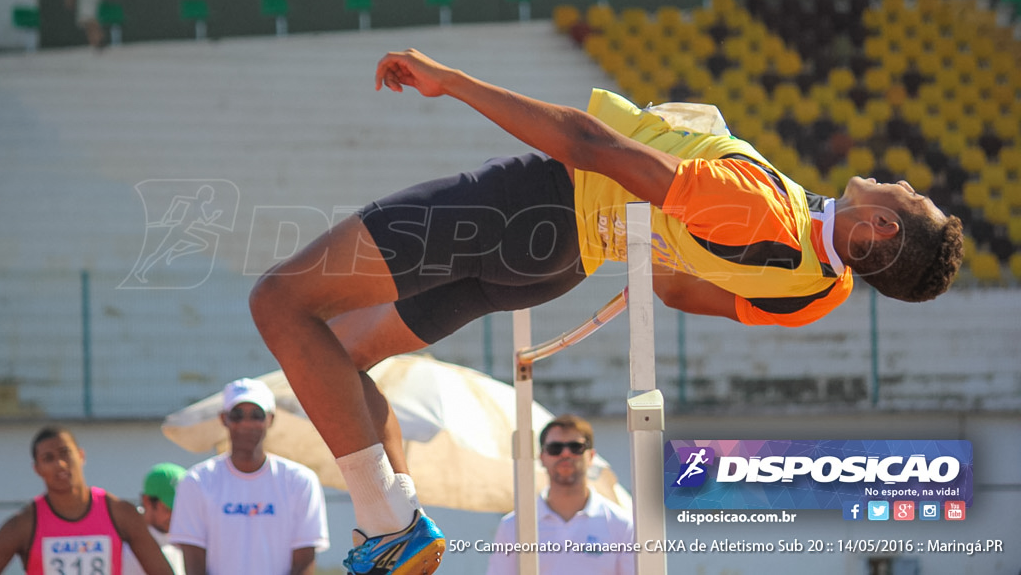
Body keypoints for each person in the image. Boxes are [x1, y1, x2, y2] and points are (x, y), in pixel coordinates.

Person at [248, 48, 964, 575]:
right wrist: (681, 214)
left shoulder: (765, 209)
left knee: (280, 301)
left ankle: (388, 523)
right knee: (335, 360)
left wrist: (453, 82)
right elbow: (677, 289)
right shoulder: (822, 290)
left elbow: (591, 144)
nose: (897, 181)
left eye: (907, 197)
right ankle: (393, 528)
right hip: (557, 264)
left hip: (534, 207)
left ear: (883, 230)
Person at [168, 378, 330, 575]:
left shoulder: (300, 481)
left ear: (270, 419)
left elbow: (304, 564)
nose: (246, 423)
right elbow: (194, 566)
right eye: (237, 415)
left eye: (256, 415)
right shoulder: (196, 481)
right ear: (223, 419)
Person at [0, 425, 173, 575]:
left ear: (81, 455)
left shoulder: (121, 514)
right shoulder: (23, 525)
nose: (60, 464)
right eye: (48, 458)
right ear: (37, 469)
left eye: (65, 453)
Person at [486, 415, 634, 575]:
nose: (565, 454)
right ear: (542, 457)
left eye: (575, 447)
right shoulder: (512, 527)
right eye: (555, 448)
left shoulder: (621, 524)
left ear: (591, 456)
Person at [122, 463, 187, 574]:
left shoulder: (189, 541)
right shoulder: (124, 547)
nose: (177, 516)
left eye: (183, 509)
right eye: (169, 508)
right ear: (147, 501)